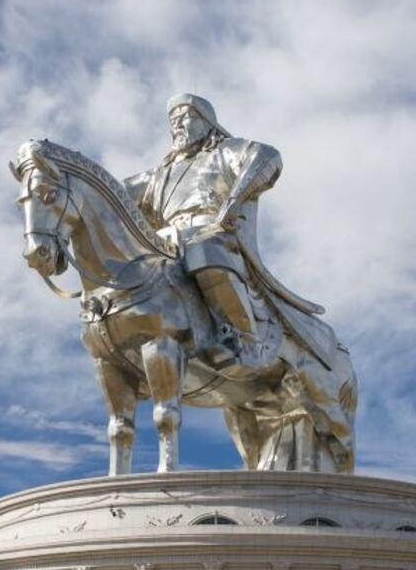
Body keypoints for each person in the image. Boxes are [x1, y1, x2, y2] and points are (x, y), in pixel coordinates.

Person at [124, 94, 326, 369]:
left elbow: (266, 156)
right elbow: (113, 193)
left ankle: (246, 338)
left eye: (186, 117)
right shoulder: (160, 174)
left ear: (207, 122)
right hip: (167, 240)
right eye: (173, 121)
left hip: (211, 230)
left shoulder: (224, 151)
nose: (178, 125)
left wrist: (234, 201)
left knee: (203, 251)